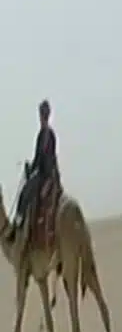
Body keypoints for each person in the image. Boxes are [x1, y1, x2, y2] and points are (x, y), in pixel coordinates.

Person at [6, 99, 59, 252]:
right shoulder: (47, 134)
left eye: (42, 114)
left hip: (45, 175)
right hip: (48, 173)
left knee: (25, 193)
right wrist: (31, 167)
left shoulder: (45, 134)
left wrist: (33, 169)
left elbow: (42, 159)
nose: (42, 117)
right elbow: (41, 158)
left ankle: (17, 225)